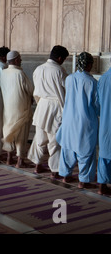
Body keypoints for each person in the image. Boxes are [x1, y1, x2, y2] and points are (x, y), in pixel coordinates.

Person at [57, 52, 99, 189]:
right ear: (89, 65)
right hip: (85, 121)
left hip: (69, 118)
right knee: (86, 151)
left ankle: (65, 175)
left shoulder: (69, 78)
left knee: (68, 148)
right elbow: (97, 104)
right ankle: (83, 180)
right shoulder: (92, 82)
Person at [28, 46, 69, 178]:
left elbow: (36, 91)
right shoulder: (60, 71)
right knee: (54, 140)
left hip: (42, 106)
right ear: (60, 58)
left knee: (40, 138)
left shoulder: (38, 69)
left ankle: (37, 165)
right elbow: (67, 91)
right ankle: (55, 170)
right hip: (56, 107)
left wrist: (40, 103)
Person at [0, 51, 34, 168]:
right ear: (15, 60)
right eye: (19, 59)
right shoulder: (20, 74)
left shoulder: (3, 73)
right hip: (21, 108)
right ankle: (20, 160)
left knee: (9, 131)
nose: (21, 61)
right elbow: (30, 89)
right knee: (21, 134)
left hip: (8, 108)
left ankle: (9, 158)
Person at [97, 59, 111, 195]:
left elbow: (98, 102)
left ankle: (102, 185)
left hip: (106, 121)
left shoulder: (103, 78)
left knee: (105, 153)